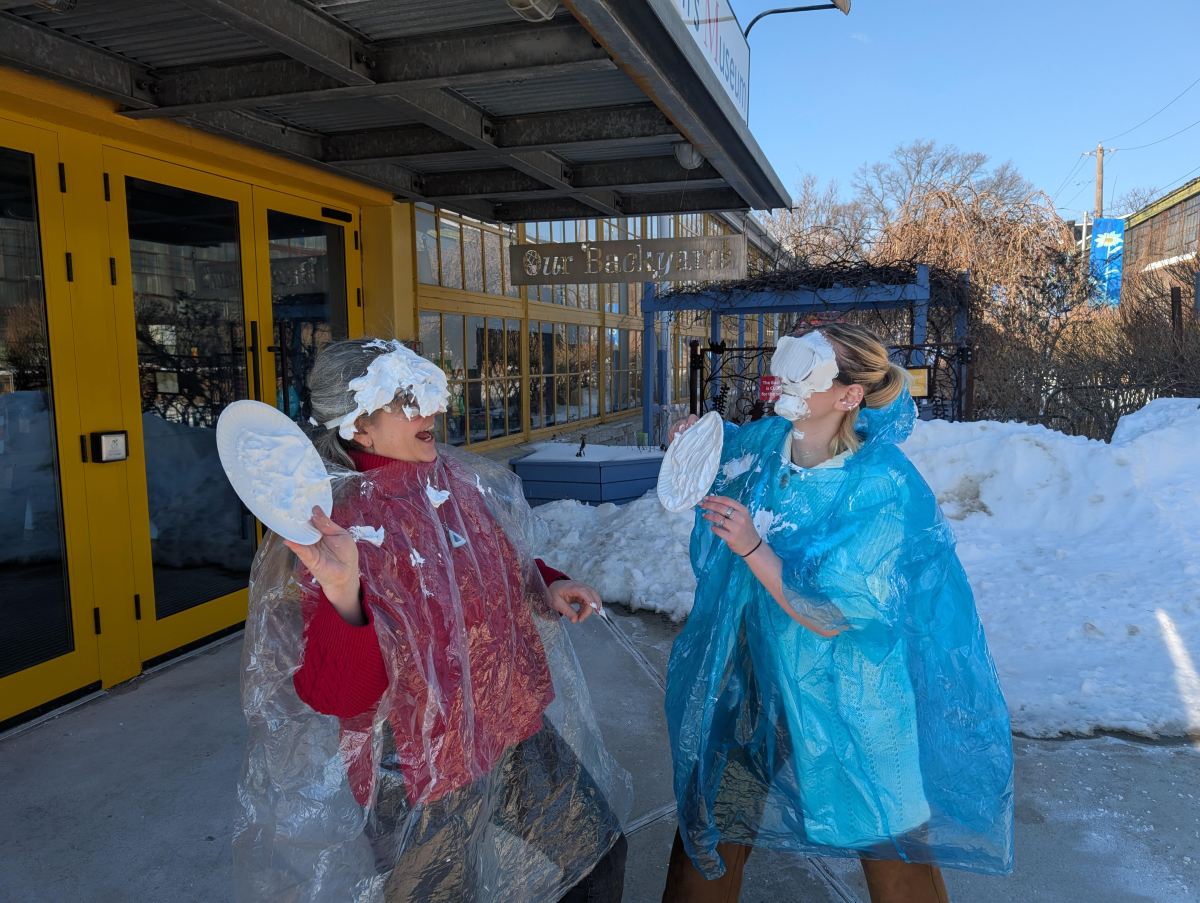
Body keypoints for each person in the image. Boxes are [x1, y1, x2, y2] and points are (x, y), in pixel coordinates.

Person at [233, 338, 630, 901]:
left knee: (597, 852)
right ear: (358, 426)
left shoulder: (453, 481)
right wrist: (345, 593)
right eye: (405, 400)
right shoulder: (331, 525)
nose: (433, 410)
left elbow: (487, 562)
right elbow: (341, 694)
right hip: (416, 768)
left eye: (428, 393)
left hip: (508, 727)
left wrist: (547, 581)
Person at [661, 323, 1013, 903]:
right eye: (784, 359)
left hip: (850, 690)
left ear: (849, 394)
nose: (782, 373)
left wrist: (754, 547)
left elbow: (834, 616)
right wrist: (694, 447)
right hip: (758, 677)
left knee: (891, 846)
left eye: (806, 365)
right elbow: (714, 460)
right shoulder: (762, 447)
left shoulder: (880, 486)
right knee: (712, 824)